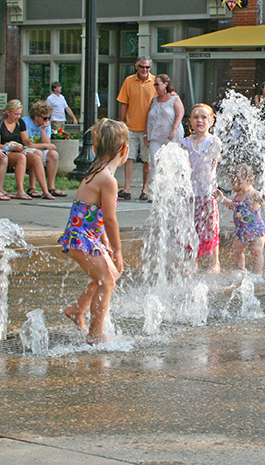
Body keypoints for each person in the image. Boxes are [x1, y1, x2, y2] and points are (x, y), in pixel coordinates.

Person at [58, 118, 129, 344]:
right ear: (124, 150)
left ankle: (77, 310)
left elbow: (94, 213)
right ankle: (95, 334)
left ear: (96, 148)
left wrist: (104, 241)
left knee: (108, 276)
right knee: (106, 280)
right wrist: (117, 251)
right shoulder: (107, 178)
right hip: (81, 239)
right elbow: (109, 218)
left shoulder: (97, 170)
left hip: (86, 237)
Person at [181, 104, 223, 273]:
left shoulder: (213, 141)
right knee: (190, 226)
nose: (200, 120)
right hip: (191, 192)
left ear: (211, 120)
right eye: (196, 117)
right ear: (190, 121)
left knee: (211, 227)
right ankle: (192, 261)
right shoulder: (185, 143)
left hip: (207, 192)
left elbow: (213, 156)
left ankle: (215, 262)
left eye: (204, 117)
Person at [0, 99, 54, 200]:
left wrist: (27, 142)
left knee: (36, 158)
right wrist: (11, 146)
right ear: (8, 112)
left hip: (18, 149)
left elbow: (24, 139)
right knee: (21, 157)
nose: (18, 117)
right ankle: (20, 191)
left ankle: (45, 191)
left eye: (19, 114)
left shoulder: (20, 123)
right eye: (16, 114)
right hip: (6, 150)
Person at [116, 56, 157, 201]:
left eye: (147, 67)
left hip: (148, 128)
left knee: (147, 159)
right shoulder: (129, 81)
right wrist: (121, 123)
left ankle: (145, 189)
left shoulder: (155, 82)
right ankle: (127, 188)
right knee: (129, 157)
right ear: (136, 66)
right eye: (141, 66)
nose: (144, 70)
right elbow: (123, 103)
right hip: (131, 126)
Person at [216, 163, 265, 276]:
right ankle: (240, 270)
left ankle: (256, 274)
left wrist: (264, 197)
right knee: (237, 251)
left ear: (250, 181)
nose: (235, 187)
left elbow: (261, 200)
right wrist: (222, 199)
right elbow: (232, 206)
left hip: (256, 230)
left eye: (239, 183)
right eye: (233, 184)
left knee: (257, 252)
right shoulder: (237, 195)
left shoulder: (253, 194)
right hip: (241, 230)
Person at [145, 74, 185, 193]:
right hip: (156, 136)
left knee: (171, 163)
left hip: (171, 137)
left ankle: (172, 189)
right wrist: (145, 134)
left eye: (157, 84)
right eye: (155, 85)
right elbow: (148, 118)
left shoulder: (174, 98)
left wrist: (174, 129)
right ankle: (154, 191)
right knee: (155, 162)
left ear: (165, 84)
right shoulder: (154, 100)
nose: (156, 87)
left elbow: (180, 114)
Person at [22, 100, 67, 198]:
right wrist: (43, 145)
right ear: (36, 117)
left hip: (37, 147)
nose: (47, 120)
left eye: (49, 118)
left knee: (53, 154)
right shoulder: (26, 122)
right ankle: (32, 187)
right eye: (45, 118)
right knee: (37, 154)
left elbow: (47, 143)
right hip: (26, 150)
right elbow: (27, 145)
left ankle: (51, 187)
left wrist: (43, 129)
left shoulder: (46, 125)